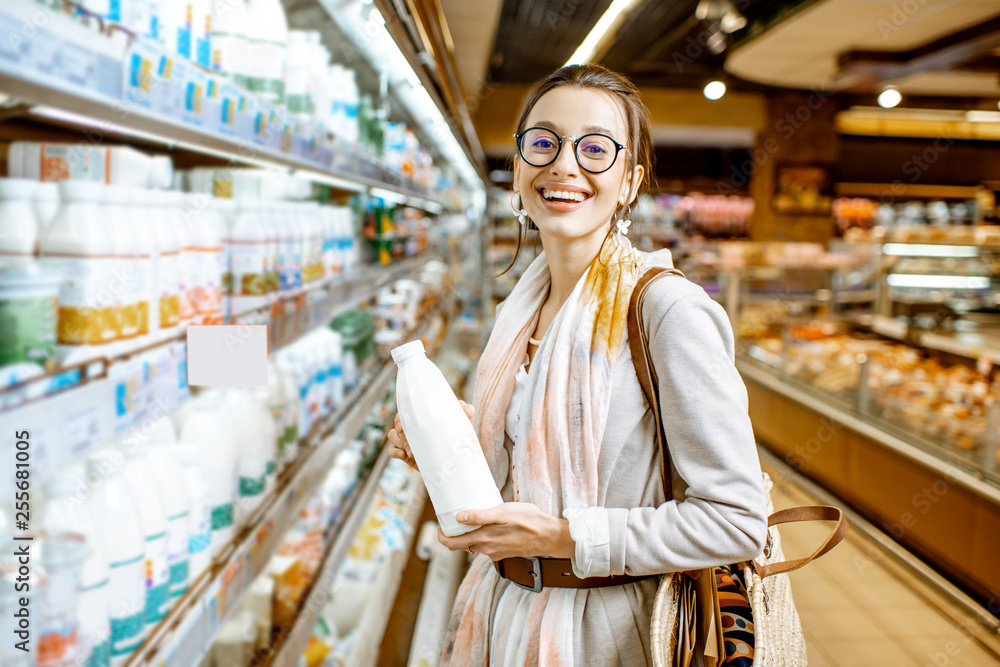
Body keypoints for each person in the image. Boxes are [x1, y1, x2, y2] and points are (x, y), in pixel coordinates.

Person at [386, 64, 767, 666]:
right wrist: (453, 447)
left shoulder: (667, 310)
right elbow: (534, 487)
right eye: (544, 142)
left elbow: (735, 521)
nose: (565, 165)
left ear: (631, 181)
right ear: (517, 168)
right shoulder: (522, 309)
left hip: (607, 636)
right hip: (506, 619)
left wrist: (566, 539)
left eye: (595, 148)